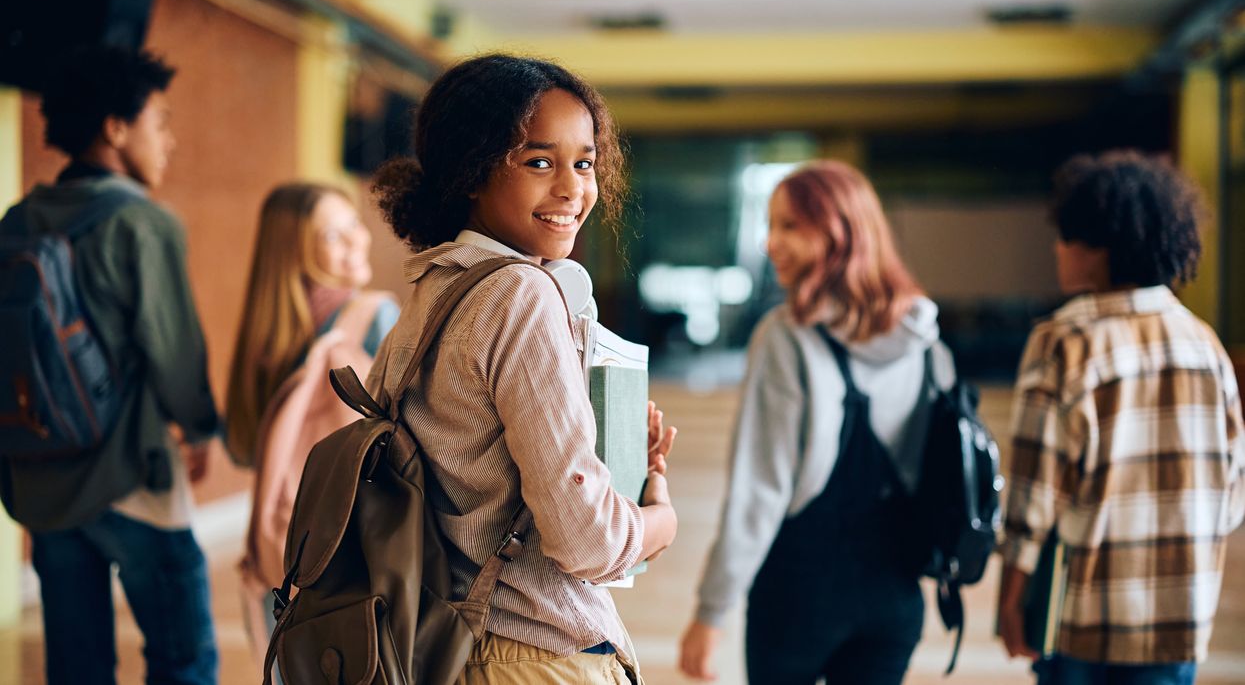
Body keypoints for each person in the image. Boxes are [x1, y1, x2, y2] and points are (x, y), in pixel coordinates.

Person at [366, 53, 677, 683]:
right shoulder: (519, 295)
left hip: (445, 643)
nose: (572, 188)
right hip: (531, 655)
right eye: (539, 161)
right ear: (472, 171)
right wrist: (657, 519)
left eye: (584, 163)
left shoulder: (435, 288)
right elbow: (586, 542)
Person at [679, 160, 954, 684]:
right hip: (896, 597)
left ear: (838, 234)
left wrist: (711, 612)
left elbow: (758, 492)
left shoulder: (786, 338)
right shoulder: (926, 343)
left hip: (798, 595)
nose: (770, 243)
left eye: (790, 226)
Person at [0, 46, 220, 684]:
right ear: (115, 128)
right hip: (133, 473)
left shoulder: (17, 221)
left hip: (41, 474)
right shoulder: (142, 221)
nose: (169, 141)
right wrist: (201, 427)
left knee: (77, 666)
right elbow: (173, 348)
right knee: (184, 660)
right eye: (161, 123)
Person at [995, 150, 1245, 685]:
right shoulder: (1206, 346)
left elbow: (1031, 495)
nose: (1058, 249)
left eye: (1068, 236)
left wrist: (1011, 598)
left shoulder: (1063, 341)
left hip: (1082, 619)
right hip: (1179, 621)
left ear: (1100, 248)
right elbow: (1231, 496)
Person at [224, 182, 399, 667]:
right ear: (296, 249)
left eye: (353, 227)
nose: (358, 240)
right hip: (347, 558)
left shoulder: (265, 338)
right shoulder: (374, 317)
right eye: (334, 236)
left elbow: (241, 448)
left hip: (278, 559)